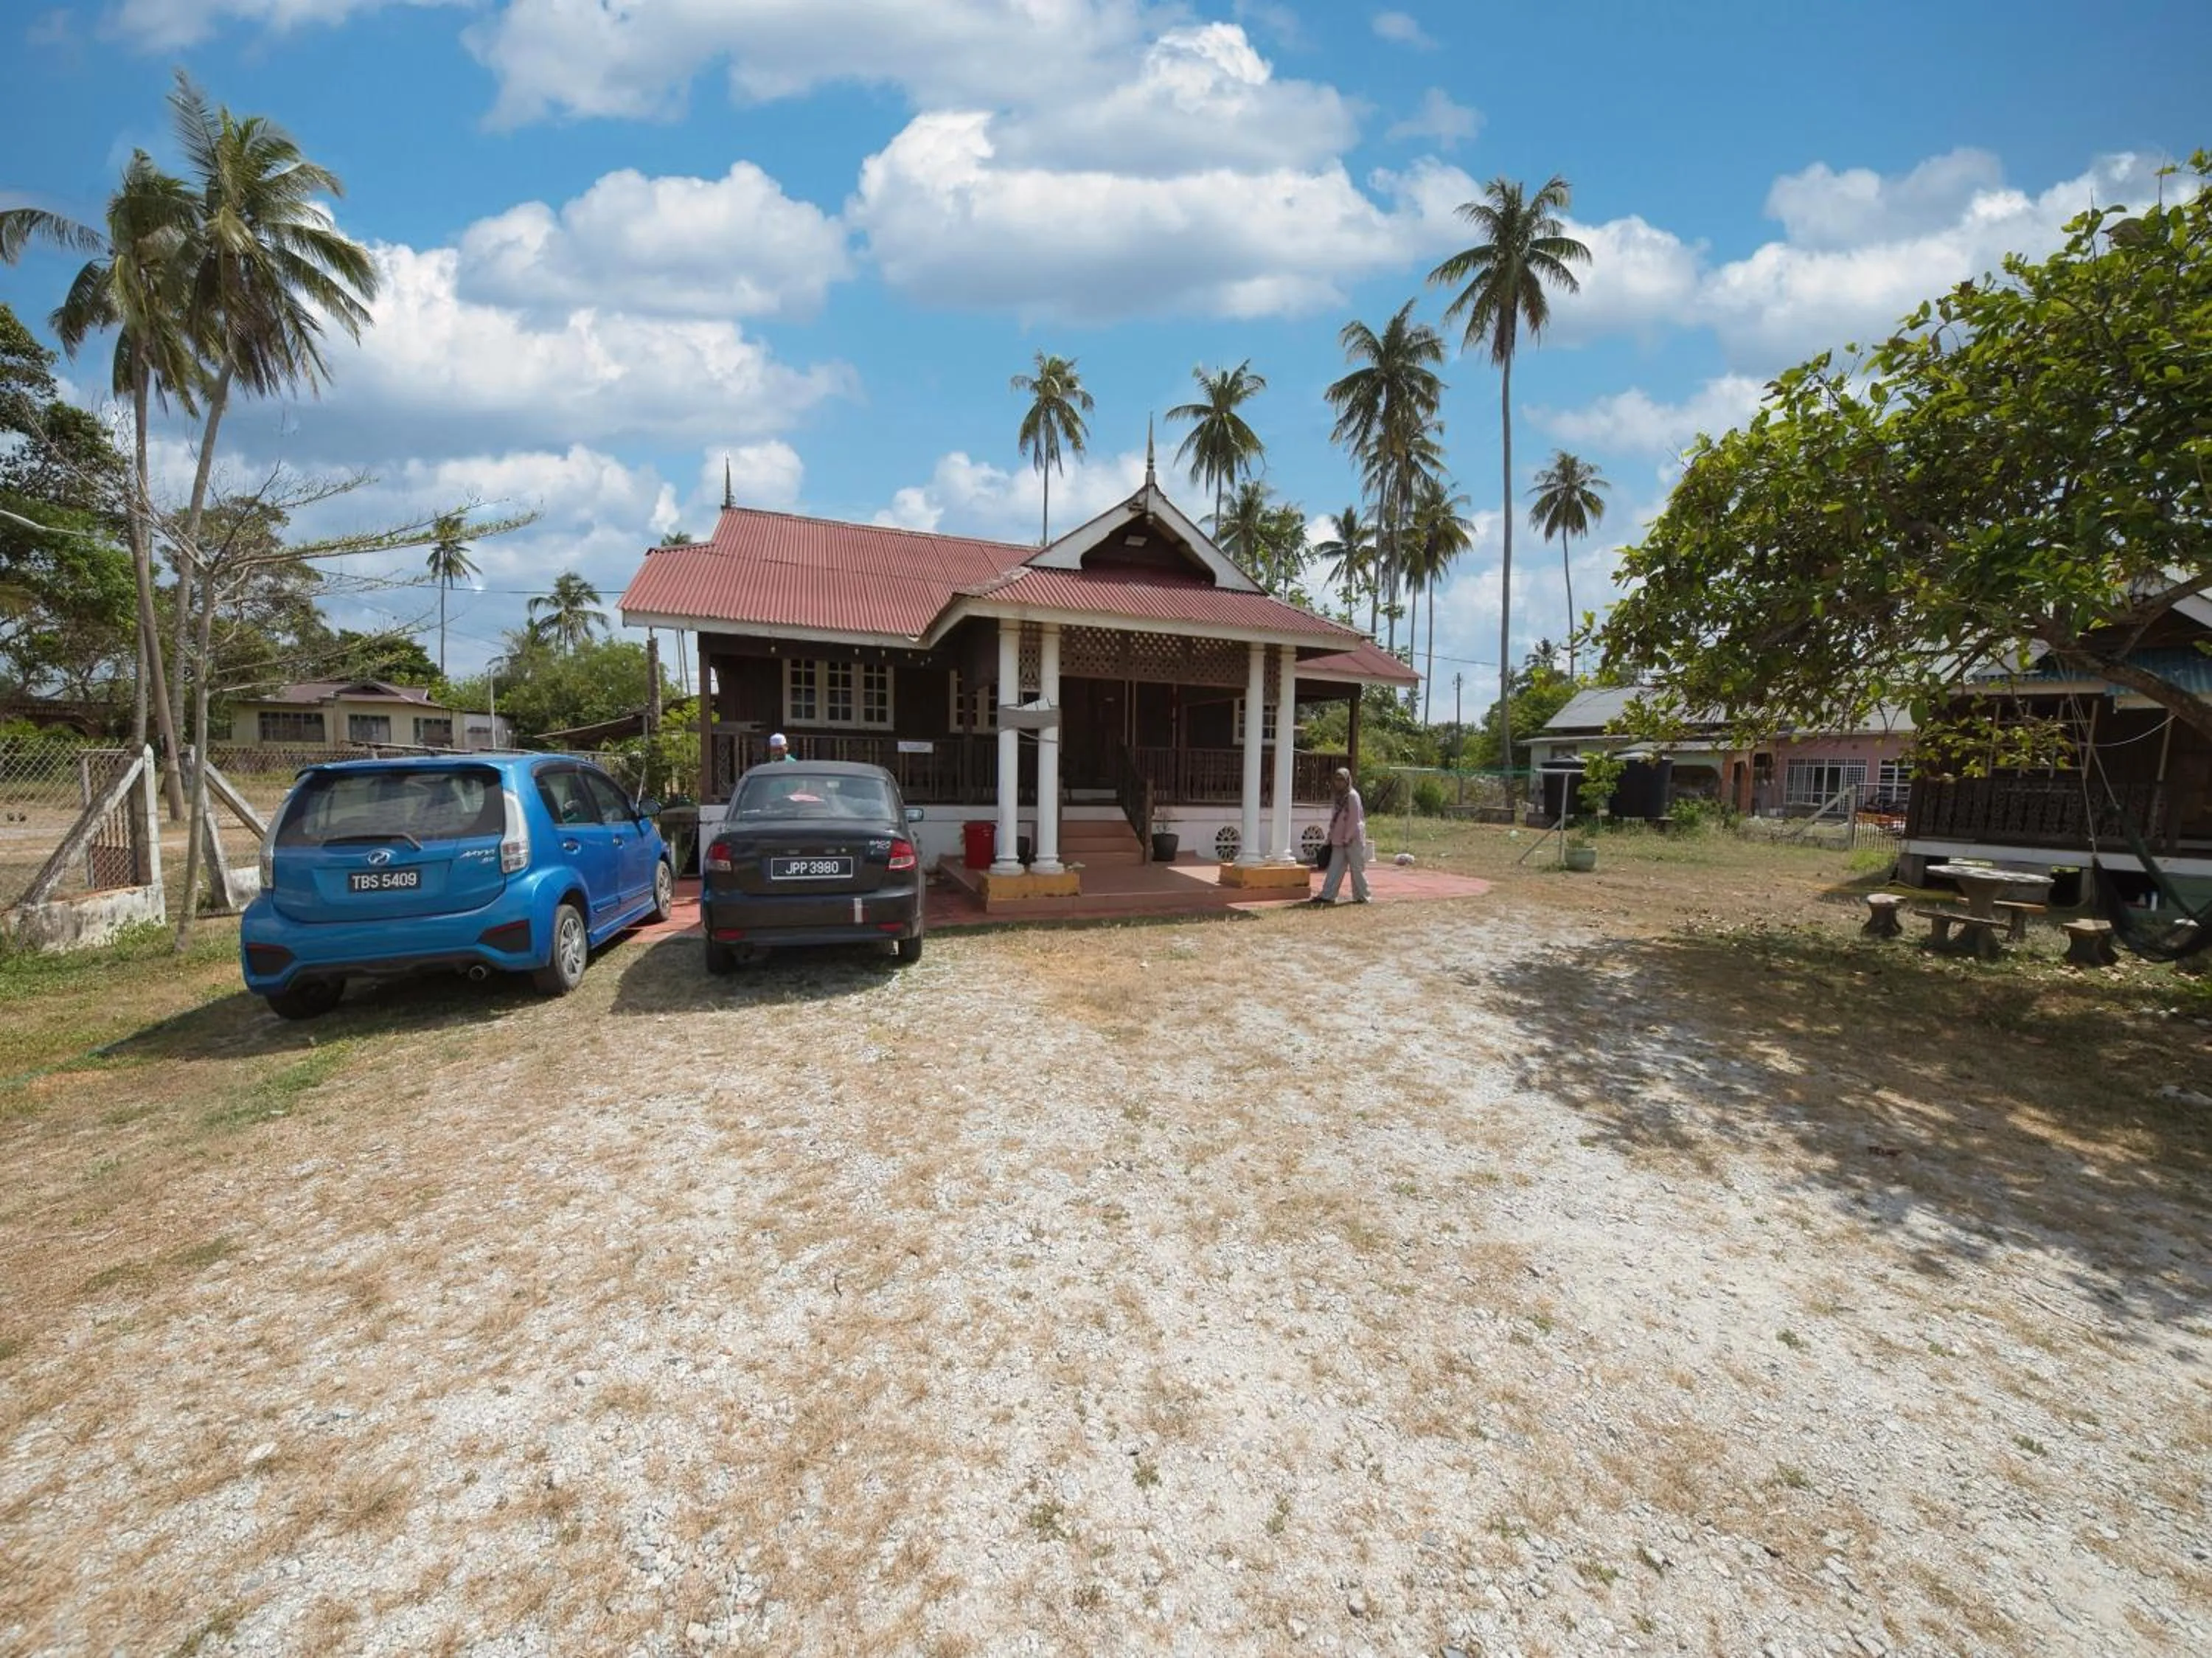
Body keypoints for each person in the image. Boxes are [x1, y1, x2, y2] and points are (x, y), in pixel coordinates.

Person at [1313, 766, 1370, 905]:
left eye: (1342, 780)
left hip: (1352, 840)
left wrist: (1348, 837)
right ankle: (1328, 895)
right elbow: (1335, 819)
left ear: (1347, 781)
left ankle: (1362, 896)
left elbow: (1355, 820)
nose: (1339, 783)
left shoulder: (1352, 796)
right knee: (1334, 869)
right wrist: (1331, 837)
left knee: (1357, 869)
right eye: (1337, 779)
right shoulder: (1338, 797)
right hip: (1338, 840)